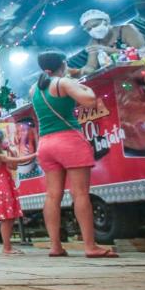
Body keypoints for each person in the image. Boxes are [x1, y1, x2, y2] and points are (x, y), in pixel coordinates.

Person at [31, 51, 118, 258]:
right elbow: (89, 101)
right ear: (63, 64)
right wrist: (82, 85)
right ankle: (90, 246)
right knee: (80, 194)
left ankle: (55, 246)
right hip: (68, 140)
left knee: (52, 195)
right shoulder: (63, 83)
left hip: (45, 144)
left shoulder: (34, 88)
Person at [0, 128, 36, 256]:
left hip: (4, 188)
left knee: (9, 219)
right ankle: (7, 247)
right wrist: (36, 154)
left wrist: (10, 150)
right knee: (7, 219)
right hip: (3, 190)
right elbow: (19, 162)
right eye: (1, 140)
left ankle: (8, 246)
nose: (3, 142)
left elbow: (14, 167)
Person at [79, 9, 145, 74]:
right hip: (123, 75)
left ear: (105, 22)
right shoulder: (94, 42)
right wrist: (81, 71)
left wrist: (107, 50)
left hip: (143, 67)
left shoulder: (126, 29)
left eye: (95, 25)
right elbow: (91, 66)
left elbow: (141, 52)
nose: (93, 30)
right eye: (89, 29)